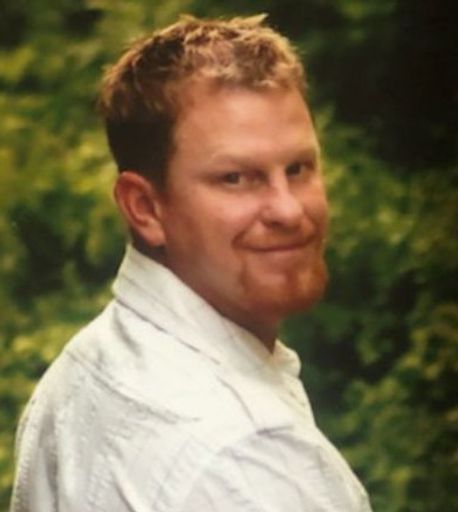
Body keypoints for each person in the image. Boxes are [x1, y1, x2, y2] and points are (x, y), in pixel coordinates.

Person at [10, 15, 372, 512]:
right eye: (236, 178)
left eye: (298, 168)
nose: (289, 210)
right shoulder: (245, 458)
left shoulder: (79, 375)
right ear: (145, 207)